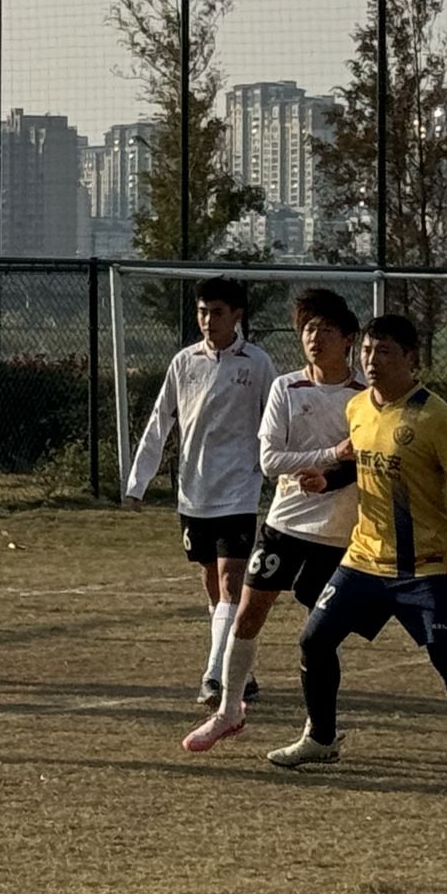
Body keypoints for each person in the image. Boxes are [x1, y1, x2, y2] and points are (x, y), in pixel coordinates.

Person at [266, 314, 447, 786]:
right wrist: (328, 479)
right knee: (314, 640)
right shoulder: (357, 407)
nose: (371, 361)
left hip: (424, 567)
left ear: (411, 359)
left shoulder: (436, 417)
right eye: (367, 352)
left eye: (385, 352)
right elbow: (361, 463)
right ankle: (321, 738)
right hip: (363, 559)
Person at [184, 288, 363, 752]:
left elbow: (365, 460)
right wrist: (332, 453)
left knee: (320, 635)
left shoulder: (364, 397)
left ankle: (319, 730)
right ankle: (229, 711)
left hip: (337, 531)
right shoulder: (286, 387)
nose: (315, 338)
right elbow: (270, 460)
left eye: (326, 329)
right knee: (247, 614)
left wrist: (332, 468)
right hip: (284, 524)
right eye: (308, 329)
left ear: (348, 338)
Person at [123, 276, 276, 706]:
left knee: (231, 582)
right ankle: (240, 669)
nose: (208, 320)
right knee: (213, 586)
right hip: (193, 492)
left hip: (239, 490)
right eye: (202, 312)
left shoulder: (257, 364)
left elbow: (275, 422)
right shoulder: (184, 361)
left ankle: (214, 676)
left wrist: (281, 470)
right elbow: (160, 422)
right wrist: (137, 484)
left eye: (218, 312)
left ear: (237, 315)